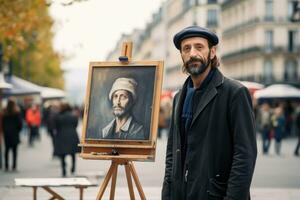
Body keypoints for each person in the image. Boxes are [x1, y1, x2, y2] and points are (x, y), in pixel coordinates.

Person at [162, 26, 257, 200]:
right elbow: (171, 153)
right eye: (186, 48)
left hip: (215, 194)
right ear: (182, 56)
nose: (192, 53)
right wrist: (168, 194)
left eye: (199, 47)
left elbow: (245, 155)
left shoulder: (234, 93)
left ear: (212, 52)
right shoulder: (178, 98)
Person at [54, 102, 80, 177]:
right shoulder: (74, 116)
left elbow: (56, 126)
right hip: (72, 135)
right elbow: (76, 125)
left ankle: (64, 170)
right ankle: (73, 168)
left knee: (62, 154)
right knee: (73, 154)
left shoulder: (58, 116)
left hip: (61, 135)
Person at [2, 99, 23, 171]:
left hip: (7, 134)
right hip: (14, 133)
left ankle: (6, 166)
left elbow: (3, 124)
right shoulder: (16, 112)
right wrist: (18, 130)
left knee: (7, 150)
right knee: (14, 151)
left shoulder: (5, 113)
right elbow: (20, 124)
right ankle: (14, 166)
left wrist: (4, 130)